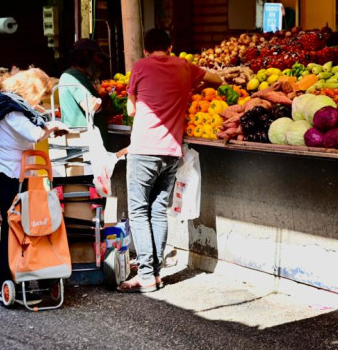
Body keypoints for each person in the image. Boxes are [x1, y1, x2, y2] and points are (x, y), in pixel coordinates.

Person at [117, 29, 221, 293]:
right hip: (172, 152)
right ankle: (156, 272)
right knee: (158, 210)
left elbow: (131, 110)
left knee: (139, 211)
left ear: (145, 50)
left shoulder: (140, 66)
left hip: (143, 149)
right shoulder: (185, 66)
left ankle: (145, 275)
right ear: (171, 47)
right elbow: (217, 79)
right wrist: (192, 86)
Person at [0, 68, 68, 305]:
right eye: (40, 96)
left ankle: (17, 280)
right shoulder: (11, 111)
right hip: (8, 178)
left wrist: (40, 115)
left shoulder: (10, 105)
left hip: (9, 175)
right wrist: (52, 126)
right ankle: (7, 282)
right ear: (31, 91)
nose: (40, 102)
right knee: (17, 231)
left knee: (18, 229)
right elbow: (33, 134)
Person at [57, 38, 110, 145]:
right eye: (97, 57)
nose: (100, 61)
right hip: (84, 142)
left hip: (89, 141)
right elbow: (89, 105)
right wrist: (101, 101)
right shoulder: (73, 76)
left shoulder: (81, 76)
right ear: (86, 55)